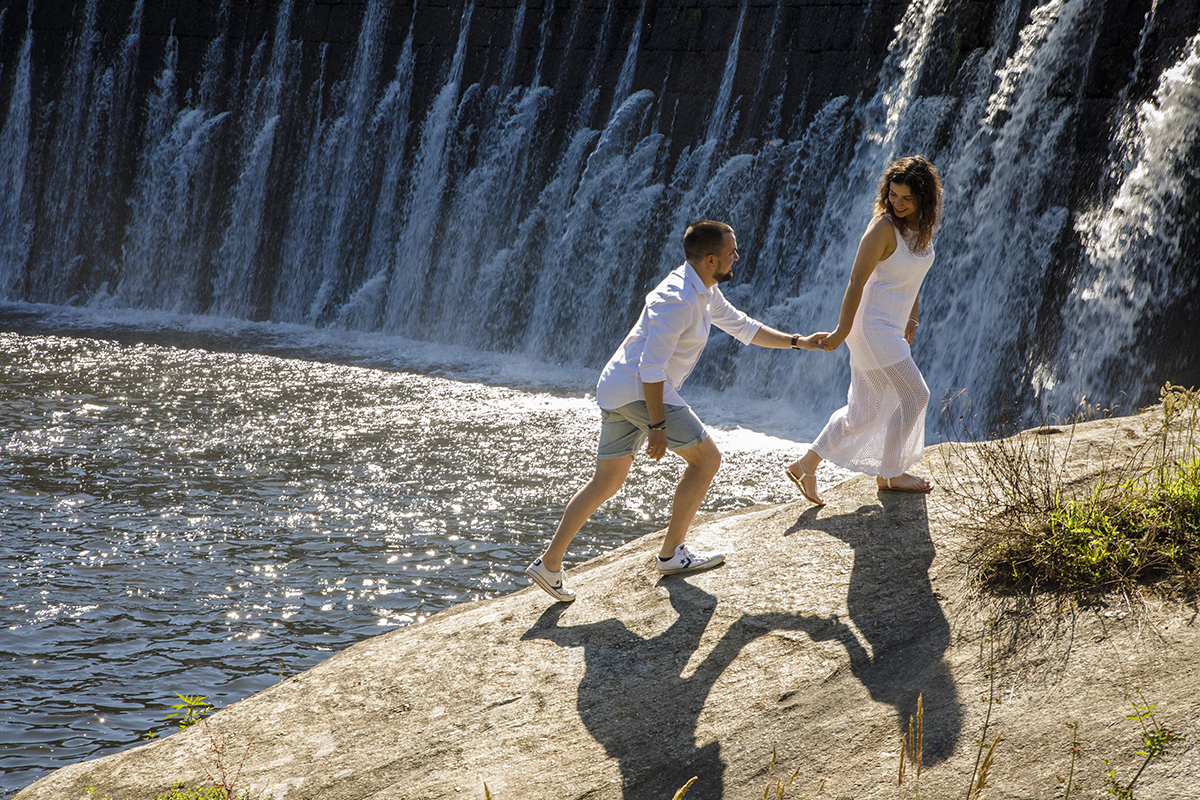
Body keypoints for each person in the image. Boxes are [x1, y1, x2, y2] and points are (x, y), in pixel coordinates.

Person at [527, 220, 822, 602]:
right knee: (707, 460)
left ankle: (549, 565)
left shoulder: (702, 287)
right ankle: (671, 554)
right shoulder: (679, 299)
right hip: (641, 389)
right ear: (711, 259)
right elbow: (650, 369)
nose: (738, 256)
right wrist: (658, 426)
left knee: (607, 481)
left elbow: (744, 328)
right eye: (731, 251)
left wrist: (800, 343)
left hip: (617, 387)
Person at [786, 155, 944, 506]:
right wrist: (842, 331)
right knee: (916, 395)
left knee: (866, 410)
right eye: (893, 195)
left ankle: (806, 464)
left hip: (891, 325)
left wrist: (912, 319)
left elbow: (914, 278)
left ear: (924, 199)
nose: (898, 204)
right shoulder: (882, 228)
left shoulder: (922, 229)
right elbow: (857, 281)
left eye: (907, 198)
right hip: (871, 326)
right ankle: (890, 473)